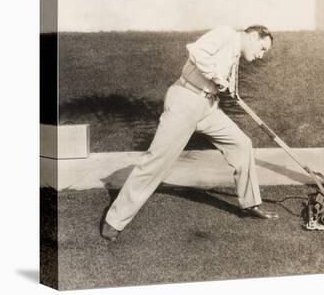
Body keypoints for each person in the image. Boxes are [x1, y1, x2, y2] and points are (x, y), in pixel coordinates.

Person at [102, 25, 278, 241]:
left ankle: (250, 203)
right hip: (185, 101)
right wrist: (218, 77)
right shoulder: (226, 34)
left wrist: (226, 85)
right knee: (156, 161)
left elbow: (220, 78)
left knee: (242, 144)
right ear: (252, 36)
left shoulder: (236, 53)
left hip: (208, 108)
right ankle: (114, 220)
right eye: (262, 48)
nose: (261, 55)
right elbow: (196, 51)